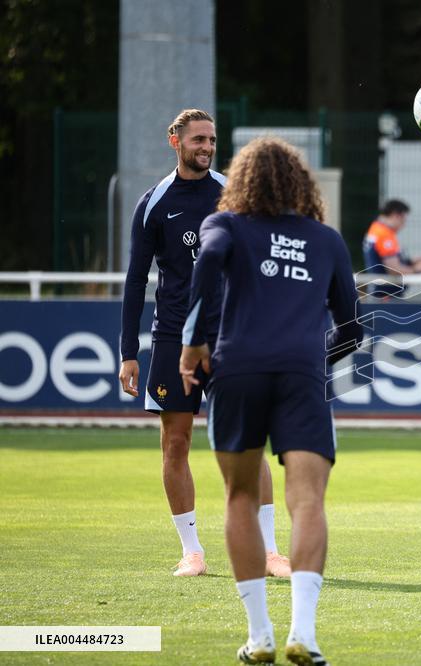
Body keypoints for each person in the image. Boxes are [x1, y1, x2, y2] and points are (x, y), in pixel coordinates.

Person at [180, 137, 363, 665]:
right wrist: (310, 361)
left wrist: (194, 345)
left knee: (240, 496)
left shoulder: (225, 224)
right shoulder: (325, 239)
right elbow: (352, 330)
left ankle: (259, 634)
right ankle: (302, 632)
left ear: (241, 180)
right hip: (301, 377)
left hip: (235, 371)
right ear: (300, 184)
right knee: (307, 501)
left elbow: (208, 265)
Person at [118, 109, 290, 578]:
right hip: (173, 337)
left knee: (248, 441)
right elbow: (136, 281)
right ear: (173, 139)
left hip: (232, 336)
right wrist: (128, 353)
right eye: (198, 139)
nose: (207, 147)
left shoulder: (232, 194)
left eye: (211, 140)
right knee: (175, 443)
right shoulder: (153, 203)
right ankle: (192, 551)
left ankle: (271, 552)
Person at [361, 199, 421, 297]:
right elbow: (393, 269)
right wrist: (416, 269)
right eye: (403, 220)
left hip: (381, 292)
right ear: (396, 215)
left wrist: (410, 261)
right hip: (386, 295)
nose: (403, 225)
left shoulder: (376, 229)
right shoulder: (384, 234)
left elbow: (382, 261)